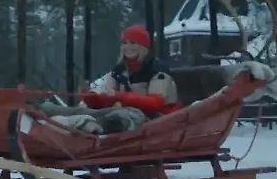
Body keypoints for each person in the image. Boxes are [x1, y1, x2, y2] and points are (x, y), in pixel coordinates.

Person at [41, 24, 182, 134]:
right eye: (124, 43)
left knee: (124, 115)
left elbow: (156, 103)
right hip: (123, 113)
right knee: (92, 111)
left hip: (156, 120)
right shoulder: (119, 71)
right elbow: (105, 100)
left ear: (143, 46)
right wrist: (90, 96)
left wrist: (119, 96)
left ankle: (93, 127)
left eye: (133, 43)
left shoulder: (157, 70)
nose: (128, 47)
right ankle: (45, 111)